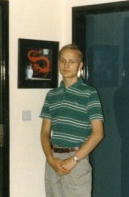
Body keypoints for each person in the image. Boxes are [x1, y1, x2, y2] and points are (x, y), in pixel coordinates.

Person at [40, 44, 104, 197]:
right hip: (53, 161)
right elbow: (44, 132)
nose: (66, 65)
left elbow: (98, 133)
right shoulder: (52, 95)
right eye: (62, 61)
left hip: (77, 161)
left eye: (72, 61)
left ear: (80, 65)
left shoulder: (90, 93)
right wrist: (50, 158)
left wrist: (74, 159)